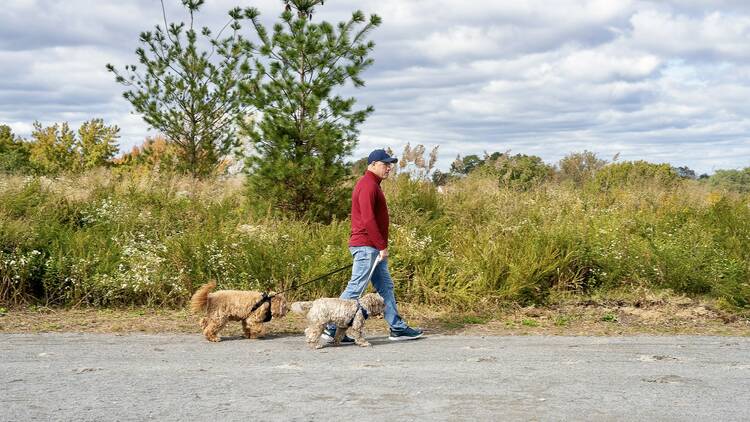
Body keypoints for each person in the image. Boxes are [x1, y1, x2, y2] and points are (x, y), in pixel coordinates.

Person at [323, 149, 423, 343]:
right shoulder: (368, 185)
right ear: (373, 165)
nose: (389, 167)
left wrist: (379, 246)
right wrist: (381, 246)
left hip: (371, 247)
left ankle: (398, 328)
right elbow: (368, 219)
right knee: (355, 289)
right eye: (385, 164)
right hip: (367, 247)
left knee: (385, 288)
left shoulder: (373, 184)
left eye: (390, 164)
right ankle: (331, 327)